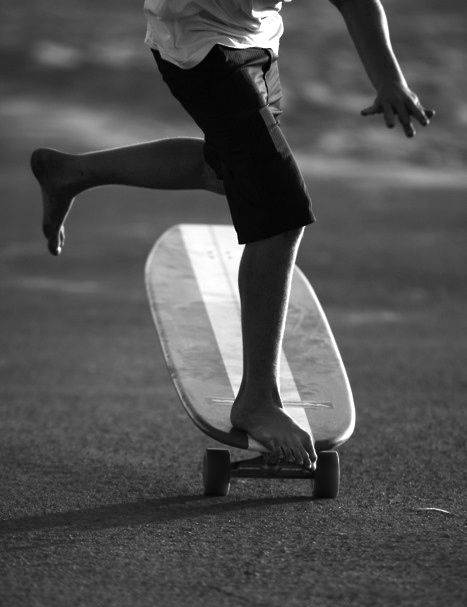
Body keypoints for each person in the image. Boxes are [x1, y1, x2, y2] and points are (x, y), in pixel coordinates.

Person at [30, 0, 434, 469]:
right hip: (198, 36)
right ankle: (257, 399)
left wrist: (389, 81)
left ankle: (70, 173)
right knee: (279, 210)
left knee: (231, 172)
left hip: (254, 33)